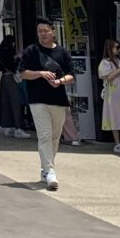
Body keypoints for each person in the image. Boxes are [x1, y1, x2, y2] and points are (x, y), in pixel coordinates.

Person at [18, 18, 75, 191]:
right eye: (39, 31)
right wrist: (41, 74)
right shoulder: (31, 51)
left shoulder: (62, 52)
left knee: (55, 138)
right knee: (44, 134)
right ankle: (51, 172)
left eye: (45, 30)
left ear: (53, 32)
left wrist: (60, 81)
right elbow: (23, 73)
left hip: (58, 99)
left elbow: (71, 75)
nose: (42, 33)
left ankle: (45, 169)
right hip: (37, 99)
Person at [0, 35, 32, 139]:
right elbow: (13, 65)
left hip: (4, 78)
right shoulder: (9, 52)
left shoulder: (0, 52)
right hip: (12, 78)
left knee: (5, 103)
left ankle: (7, 126)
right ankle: (18, 128)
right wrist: (17, 58)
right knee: (16, 103)